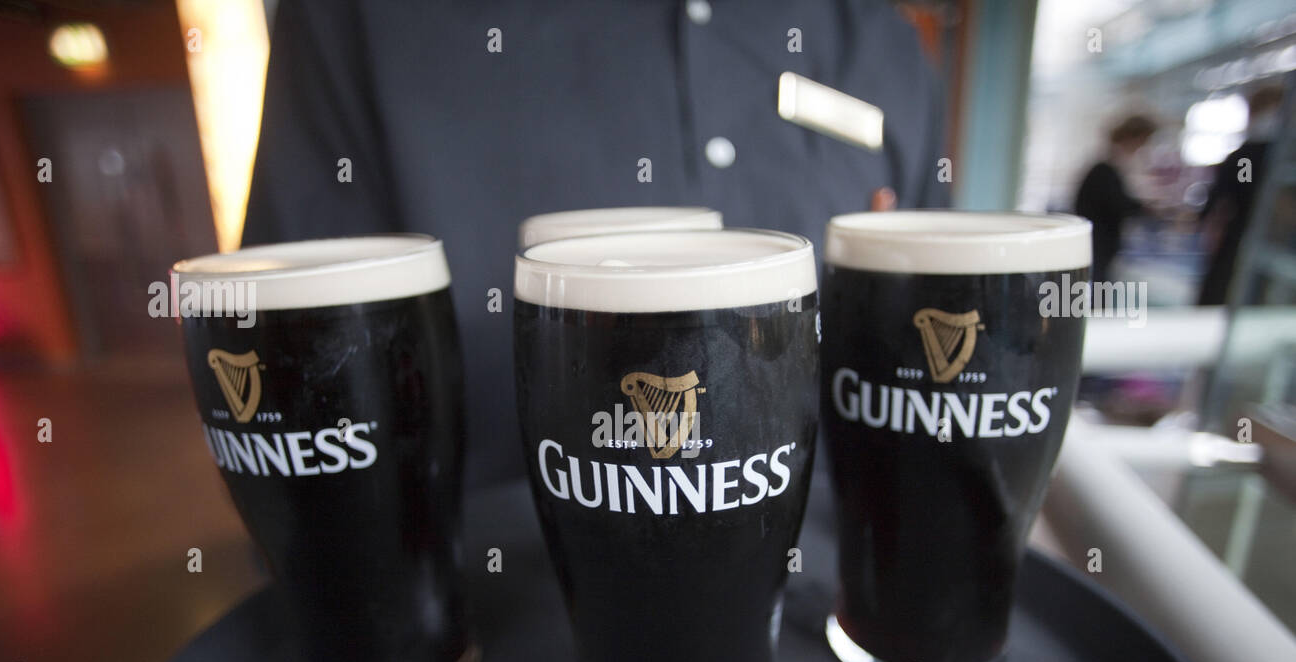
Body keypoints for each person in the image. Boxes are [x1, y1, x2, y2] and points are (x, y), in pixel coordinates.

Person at [241, 0, 949, 487]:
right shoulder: (359, 20)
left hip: (817, 613)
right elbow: (291, 387)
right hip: (484, 626)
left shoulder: (883, 41)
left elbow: (925, 371)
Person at [1197, 85, 1285, 306]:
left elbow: (1229, 193)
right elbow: (1237, 188)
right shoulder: (1251, 157)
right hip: (1246, 233)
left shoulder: (1255, 155)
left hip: (1250, 234)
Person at [1074, 114, 1156, 284]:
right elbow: (1117, 204)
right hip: (1096, 244)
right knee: (1096, 290)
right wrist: (1145, 208)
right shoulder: (1104, 170)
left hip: (1100, 244)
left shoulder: (1109, 169)